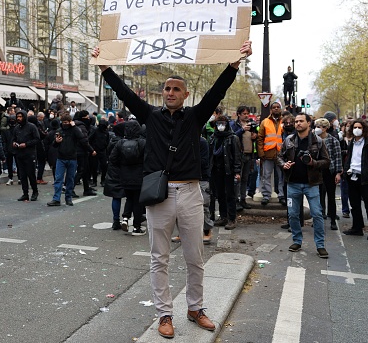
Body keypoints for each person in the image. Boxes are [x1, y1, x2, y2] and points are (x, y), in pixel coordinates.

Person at [92, 39, 253, 338]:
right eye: (167, 89)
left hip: (191, 193)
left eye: (176, 89)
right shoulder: (150, 116)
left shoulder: (194, 117)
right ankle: (164, 314)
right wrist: (105, 68)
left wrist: (234, 64)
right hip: (160, 195)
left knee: (195, 257)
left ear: (185, 94)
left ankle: (195, 308)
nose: (170, 93)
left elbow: (217, 91)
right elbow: (124, 93)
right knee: (159, 258)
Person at [277, 112, 330, 258]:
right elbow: (279, 157)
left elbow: (326, 162)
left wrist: (313, 163)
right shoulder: (289, 140)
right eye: (296, 122)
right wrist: (284, 164)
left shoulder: (317, 141)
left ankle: (320, 245)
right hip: (292, 184)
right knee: (293, 214)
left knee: (317, 214)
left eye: (301, 121)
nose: (297, 124)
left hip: (311, 184)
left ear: (308, 123)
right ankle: (297, 241)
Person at [109, 120, 146, 235]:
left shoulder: (120, 143)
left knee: (129, 198)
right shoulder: (142, 142)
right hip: (139, 175)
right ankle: (136, 226)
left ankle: (125, 218)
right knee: (138, 201)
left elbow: (112, 158)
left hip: (124, 175)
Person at [47, 114, 90, 207]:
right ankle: (56, 199)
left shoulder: (75, 130)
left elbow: (81, 138)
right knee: (58, 179)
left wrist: (74, 127)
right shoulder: (59, 130)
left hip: (72, 158)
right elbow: (54, 145)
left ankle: (68, 198)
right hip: (61, 158)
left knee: (70, 179)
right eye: (63, 122)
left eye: (66, 122)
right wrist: (56, 142)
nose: (65, 124)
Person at [210, 115, 242, 230]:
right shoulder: (214, 137)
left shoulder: (233, 138)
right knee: (220, 195)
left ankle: (232, 219)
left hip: (229, 170)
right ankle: (223, 217)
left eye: (222, 124)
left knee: (230, 195)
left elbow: (237, 156)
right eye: (218, 124)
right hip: (216, 170)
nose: (220, 126)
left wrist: (237, 171)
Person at [341, 119, 368, 238]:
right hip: (352, 176)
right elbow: (350, 157)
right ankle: (357, 227)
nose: (357, 130)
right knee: (354, 204)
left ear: (364, 129)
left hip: (365, 178)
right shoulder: (352, 142)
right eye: (355, 127)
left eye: (359, 127)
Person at [315, 118, 343, 230]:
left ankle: (332, 219)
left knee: (331, 196)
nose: (317, 128)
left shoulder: (333, 140)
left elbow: (337, 157)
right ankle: (319, 217)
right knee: (318, 196)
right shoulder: (313, 140)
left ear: (326, 128)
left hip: (329, 171)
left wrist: (338, 173)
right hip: (317, 170)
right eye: (316, 126)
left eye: (320, 126)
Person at [257, 101, 285, 206]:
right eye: (274, 107)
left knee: (281, 176)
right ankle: (266, 195)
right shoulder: (265, 122)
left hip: (281, 154)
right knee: (266, 175)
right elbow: (260, 138)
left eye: (278, 107)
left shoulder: (284, 121)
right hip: (267, 153)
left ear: (280, 109)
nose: (276, 109)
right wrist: (261, 153)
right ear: (271, 110)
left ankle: (281, 195)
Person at [230, 106, 257, 211]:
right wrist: (242, 130)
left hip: (249, 155)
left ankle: (243, 199)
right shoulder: (234, 125)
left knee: (246, 179)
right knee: (237, 179)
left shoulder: (252, 124)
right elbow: (232, 137)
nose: (246, 116)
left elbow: (255, 137)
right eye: (244, 114)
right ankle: (235, 200)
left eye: (247, 114)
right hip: (239, 156)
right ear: (239, 114)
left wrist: (255, 136)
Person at [13, 110, 40, 201]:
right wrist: (14, 143)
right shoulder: (16, 128)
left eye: (21, 117)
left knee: (31, 174)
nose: (19, 118)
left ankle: (35, 192)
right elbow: (13, 138)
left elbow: (37, 139)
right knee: (22, 175)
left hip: (30, 154)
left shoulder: (32, 127)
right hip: (20, 154)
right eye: (18, 117)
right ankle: (25, 193)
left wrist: (27, 144)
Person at [103, 122, 126, 229]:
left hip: (113, 171)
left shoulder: (112, 141)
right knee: (130, 196)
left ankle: (115, 220)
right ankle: (127, 218)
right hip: (123, 171)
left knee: (116, 197)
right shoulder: (123, 143)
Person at [1, 114, 17, 185]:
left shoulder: (16, 130)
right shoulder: (7, 131)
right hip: (10, 149)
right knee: (10, 164)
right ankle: (11, 178)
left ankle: (15, 178)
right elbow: (4, 141)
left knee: (16, 164)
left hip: (14, 148)